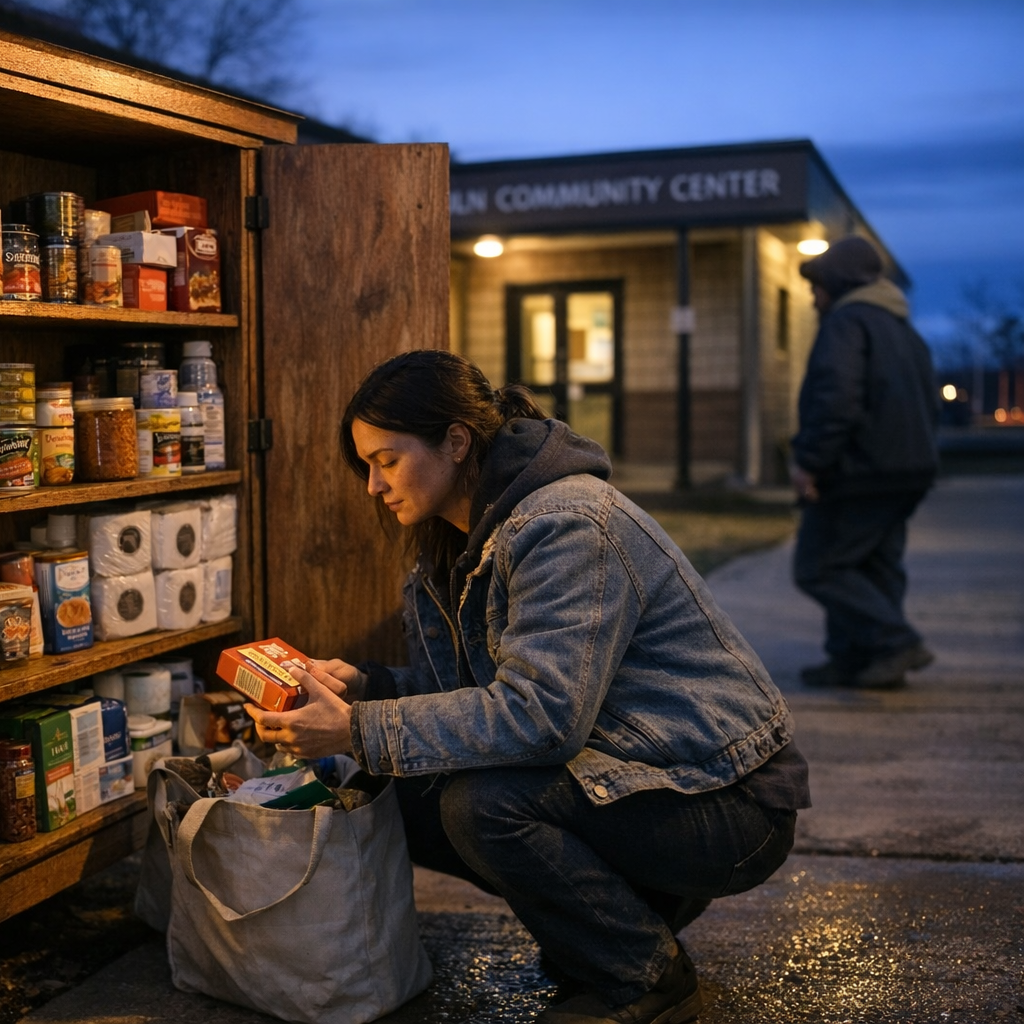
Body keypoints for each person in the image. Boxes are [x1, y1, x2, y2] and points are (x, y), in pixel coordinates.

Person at [248, 351, 808, 1024]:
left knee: (481, 805)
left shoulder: (566, 525)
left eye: (386, 460)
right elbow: (447, 696)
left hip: (724, 799)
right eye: (366, 465)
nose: (372, 485)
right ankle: (617, 929)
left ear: (456, 441)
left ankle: (642, 975)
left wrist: (359, 728)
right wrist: (362, 688)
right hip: (632, 776)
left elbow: (542, 717)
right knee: (404, 786)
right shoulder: (448, 548)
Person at [790, 236, 939, 690]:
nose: (814, 297)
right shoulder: (904, 329)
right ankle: (858, 661)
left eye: (817, 287)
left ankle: (895, 642)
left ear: (838, 281)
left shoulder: (847, 323)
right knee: (875, 565)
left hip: (861, 471)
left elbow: (836, 400)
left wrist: (809, 462)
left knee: (821, 566)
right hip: (908, 470)